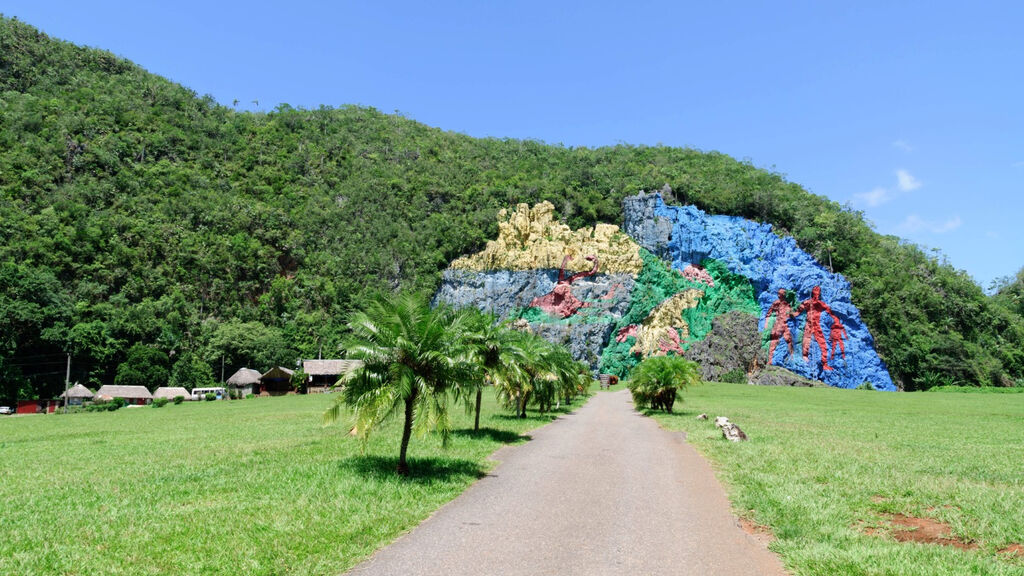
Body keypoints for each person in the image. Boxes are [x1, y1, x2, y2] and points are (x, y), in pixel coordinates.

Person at [792, 286, 834, 371]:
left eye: (818, 291)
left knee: (822, 344)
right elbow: (800, 309)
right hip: (809, 324)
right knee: (806, 341)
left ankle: (825, 363)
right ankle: (804, 356)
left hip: (817, 325)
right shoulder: (808, 302)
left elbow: (828, 309)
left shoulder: (820, 304)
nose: (816, 292)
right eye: (815, 290)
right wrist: (794, 313)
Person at [763, 288, 794, 364]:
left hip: (786, 324)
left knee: (789, 340)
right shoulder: (776, 303)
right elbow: (769, 313)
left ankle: (792, 357)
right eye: (779, 294)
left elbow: (791, 314)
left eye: (780, 294)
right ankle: (769, 360)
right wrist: (766, 323)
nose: (779, 295)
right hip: (779, 324)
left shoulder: (787, 304)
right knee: (774, 340)